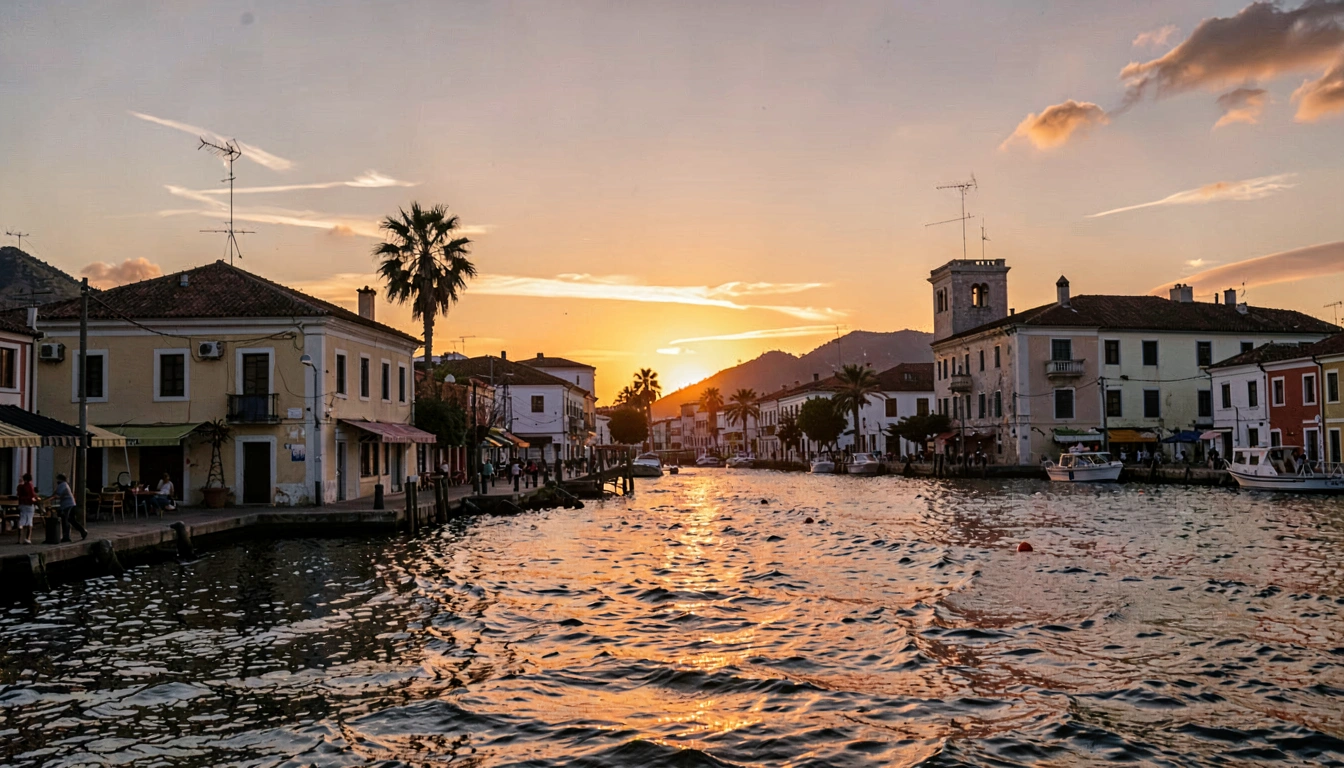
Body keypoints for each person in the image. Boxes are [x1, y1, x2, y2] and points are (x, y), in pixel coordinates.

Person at [53, 473, 87, 542]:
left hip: (67, 505)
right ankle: (83, 531)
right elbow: (55, 493)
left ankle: (66, 537)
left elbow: (57, 495)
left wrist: (49, 499)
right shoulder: (63, 485)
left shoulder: (63, 485)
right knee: (72, 520)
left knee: (66, 520)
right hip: (70, 504)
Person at [16, 472, 38, 544]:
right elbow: (33, 495)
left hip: (22, 504)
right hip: (29, 505)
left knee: (21, 521)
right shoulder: (30, 486)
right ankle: (28, 538)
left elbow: (18, 494)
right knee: (29, 521)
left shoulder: (20, 487)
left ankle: (19, 539)